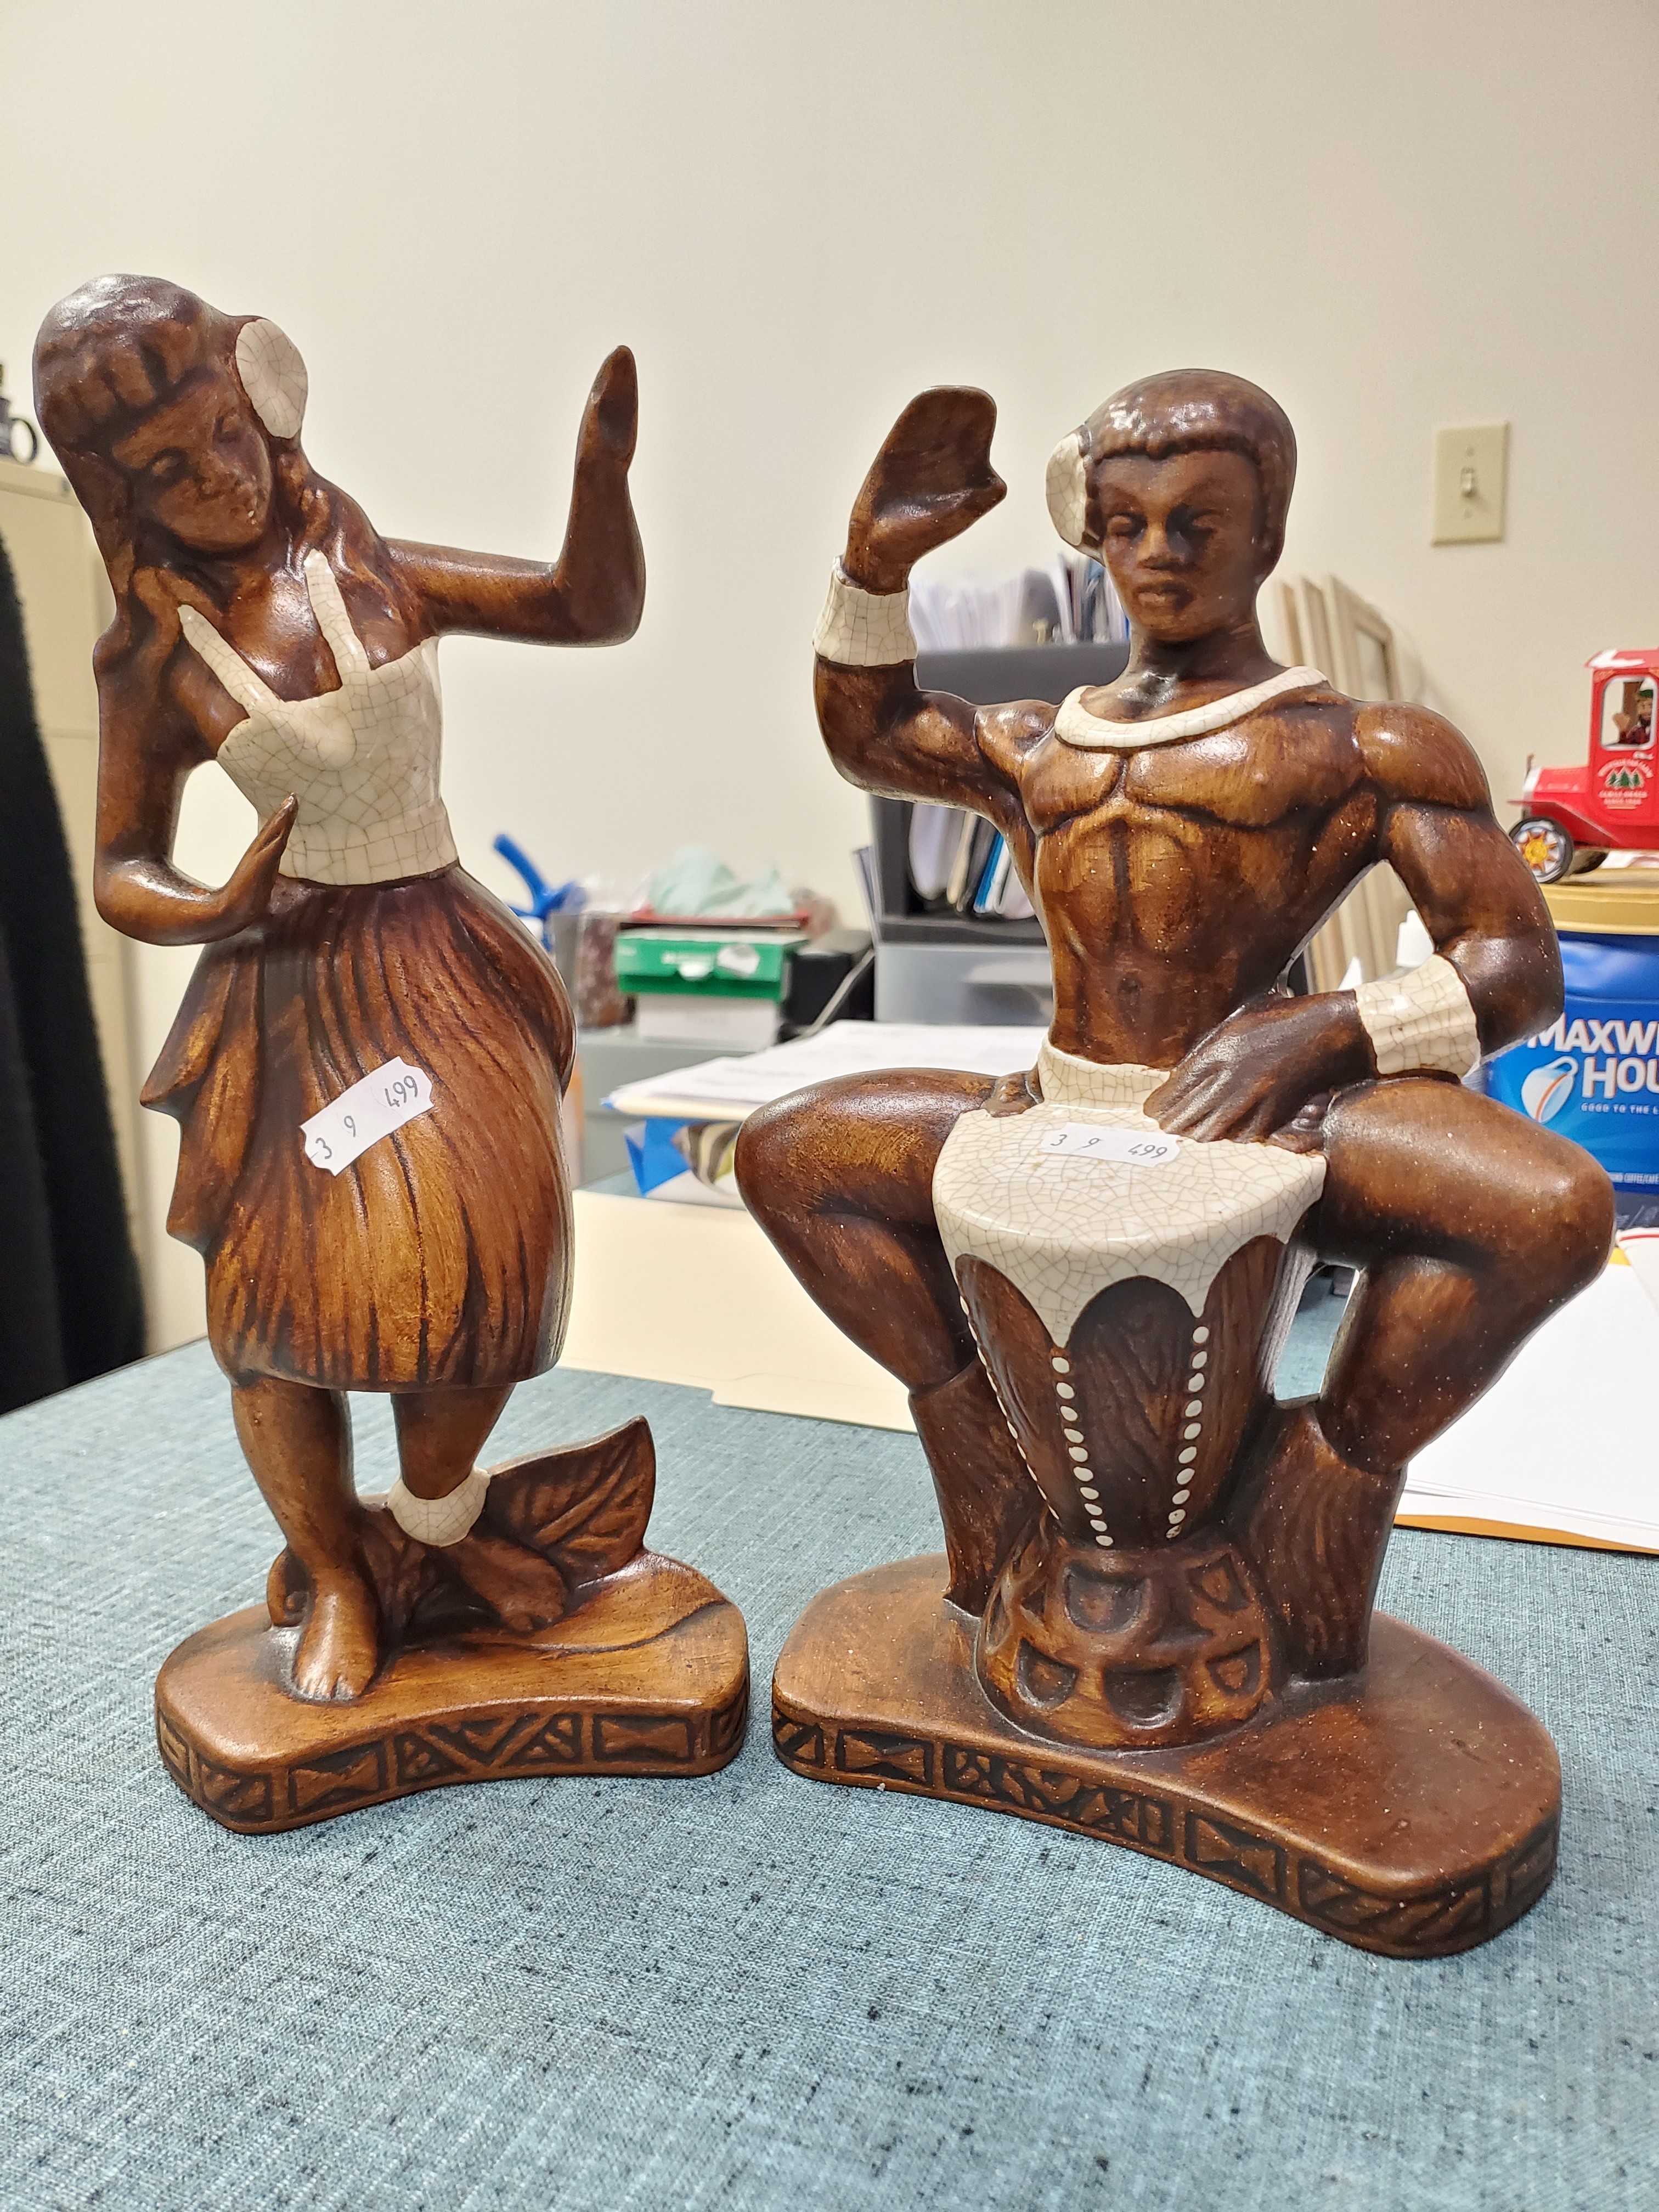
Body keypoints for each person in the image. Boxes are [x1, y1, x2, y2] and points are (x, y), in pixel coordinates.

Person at [737, 370, 1613, 1677]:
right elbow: (873, 735)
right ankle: (983, 1430)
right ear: (1093, 537)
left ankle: (1328, 1465)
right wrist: (873, 569)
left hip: (1261, 1108)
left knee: (1551, 1208)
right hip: (1060, 1101)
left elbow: (1515, 966)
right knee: (788, 1156)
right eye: (1127, 524)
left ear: (1268, 534)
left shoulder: (1361, 745)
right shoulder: (1038, 743)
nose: (1158, 552)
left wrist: (1324, 1035)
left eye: (1199, 522)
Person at [34, 275, 644, 1700]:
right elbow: (119, 864)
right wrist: (209, 907)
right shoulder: (154, 660)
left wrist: (600, 476)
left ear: (264, 403)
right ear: (121, 502)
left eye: (224, 434)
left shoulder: (373, 569)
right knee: (278, 1326)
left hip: (444, 963)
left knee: (489, 1276)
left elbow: (587, 606)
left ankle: (432, 1521)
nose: (219, 478)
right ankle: (339, 1577)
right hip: (289, 989)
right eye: (167, 472)